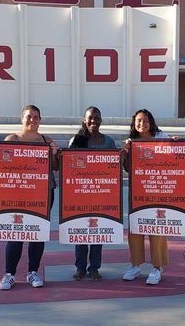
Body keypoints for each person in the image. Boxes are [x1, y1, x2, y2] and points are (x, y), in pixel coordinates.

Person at [0, 105, 59, 290]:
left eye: (36, 117)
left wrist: (55, 154)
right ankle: (10, 274)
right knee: (16, 234)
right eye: (29, 117)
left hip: (43, 194)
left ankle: (33, 272)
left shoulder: (47, 141)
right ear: (21, 118)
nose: (32, 120)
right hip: (17, 193)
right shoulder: (12, 139)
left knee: (37, 234)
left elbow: (56, 167)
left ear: (40, 120)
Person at [122, 108, 177, 285]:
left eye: (145, 120)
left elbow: (175, 157)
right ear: (134, 123)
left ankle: (157, 267)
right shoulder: (132, 141)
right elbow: (127, 168)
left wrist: (176, 144)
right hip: (138, 191)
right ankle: (135, 265)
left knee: (156, 228)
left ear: (151, 122)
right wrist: (126, 151)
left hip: (158, 189)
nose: (142, 124)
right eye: (138, 121)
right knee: (136, 229)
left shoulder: (161, 136)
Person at [69, 106, 116, 281]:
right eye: (90, 118)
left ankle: (94, 267)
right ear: (84, 119)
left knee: (98, 232)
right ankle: (80, 267)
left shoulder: (108, 142)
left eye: (97, 118)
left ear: (101, 120)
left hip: (102, 193)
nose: (93, 121)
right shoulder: (76, 140)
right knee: (81, 231)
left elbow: (115, 166)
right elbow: (69, 167)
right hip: (80, 193)